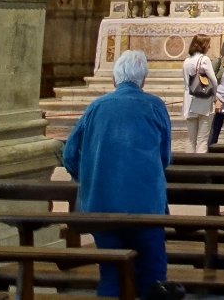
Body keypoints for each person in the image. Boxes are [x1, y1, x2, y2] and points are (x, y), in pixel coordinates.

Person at [62, 50, 173, 298]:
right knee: (152, 276)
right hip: (146, 208)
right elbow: (164, 157)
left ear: (114, 79)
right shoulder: (155, 106)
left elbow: (69, 154)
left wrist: (91, 176)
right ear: (143, 79)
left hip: (102, 207)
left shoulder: (96, 107)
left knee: (111, 274)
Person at [182, 34, 216, 153]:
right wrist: (215, 97)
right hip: (203, 101)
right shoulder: (204, 59)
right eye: (208, 44)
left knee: (191, 139)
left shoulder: (186, 60)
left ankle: (189, 165)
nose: (209, 46)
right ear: (202, 45)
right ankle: (199, 168)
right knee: (202, 139)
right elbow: (214, 81)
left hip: (189, 100)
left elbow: (186, 82)